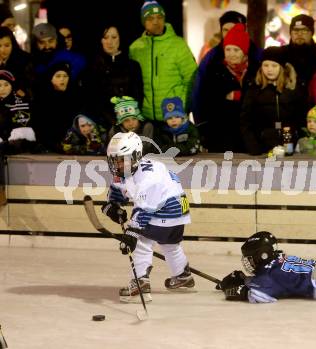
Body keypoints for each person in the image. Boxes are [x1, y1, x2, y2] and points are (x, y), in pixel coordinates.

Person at [101, 132, 195, 303]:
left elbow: (143, 211)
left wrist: (131, 235)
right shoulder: (130, 169)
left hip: (167, 209)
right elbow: (118, 189)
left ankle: (140, 282)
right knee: (170, 245)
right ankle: (182, 275)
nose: (118, 164)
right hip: (180, 212)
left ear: (136, 155)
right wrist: (112, 206)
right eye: (114, 159)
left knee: (142, 242)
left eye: (122, 159)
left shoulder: (148, 178)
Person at [129, 0, 197, 121]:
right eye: (150, 18)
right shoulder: (135, 48)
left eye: (159, 17)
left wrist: (183, 106)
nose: (156, 22)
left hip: (174, 117)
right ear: (143, 22)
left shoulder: (178, 44)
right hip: (145, 118)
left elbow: (192, 79)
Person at [192, 10, 262, 127]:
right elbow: (200, 92)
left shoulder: (258, 56)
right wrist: (201, 123)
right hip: (221, 126)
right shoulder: (211, 59)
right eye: (225, 30)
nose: (230, 33)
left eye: (234, 28)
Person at [200, 23, 259, 152]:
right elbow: (209, 103)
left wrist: (237, 96)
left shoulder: (255, 71)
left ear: (244, 52)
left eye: (236, 50)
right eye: (228, 49)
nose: (231, 54)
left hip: (249, 136)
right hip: (222, 136)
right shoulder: (215, 71)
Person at [240, 46, 307, 155]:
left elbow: (301, 118)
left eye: (274, 66)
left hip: (289, 145)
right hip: (261, 146)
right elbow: (245, 120)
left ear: (282, 67)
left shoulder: (293, 89)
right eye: (265, 65)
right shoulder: (254, 89)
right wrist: (252, 146)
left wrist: (298, 140)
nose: (269, 69)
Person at [84, 24, 143, 129]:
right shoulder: (93, 67)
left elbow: (138, 95)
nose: (109, 41)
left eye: (114, 37)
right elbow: (93, 99)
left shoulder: (133, 66)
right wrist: (111, 120)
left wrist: (129, 118)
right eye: (105, 37)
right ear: (101, 40)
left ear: (120, 38)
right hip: (103, 125)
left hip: (131, 123)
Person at [33, 62, 84, 153]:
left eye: (65, 76)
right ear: (50, 79)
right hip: (48, 146)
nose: (62, 79)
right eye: (58, 76)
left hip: (73, 143)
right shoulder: (42, 100)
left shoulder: (76, 96)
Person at [280, 14, 316, 90]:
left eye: (304, 30)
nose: (299, 34)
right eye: (295, 30)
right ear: (290, 33)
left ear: (311, 32)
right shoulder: (280, 54)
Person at [0, 69, 36, 154]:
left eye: (6, 85)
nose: (2, 89)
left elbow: (23, 136)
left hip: (13, 147)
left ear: (12, 86)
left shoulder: (22, 103)